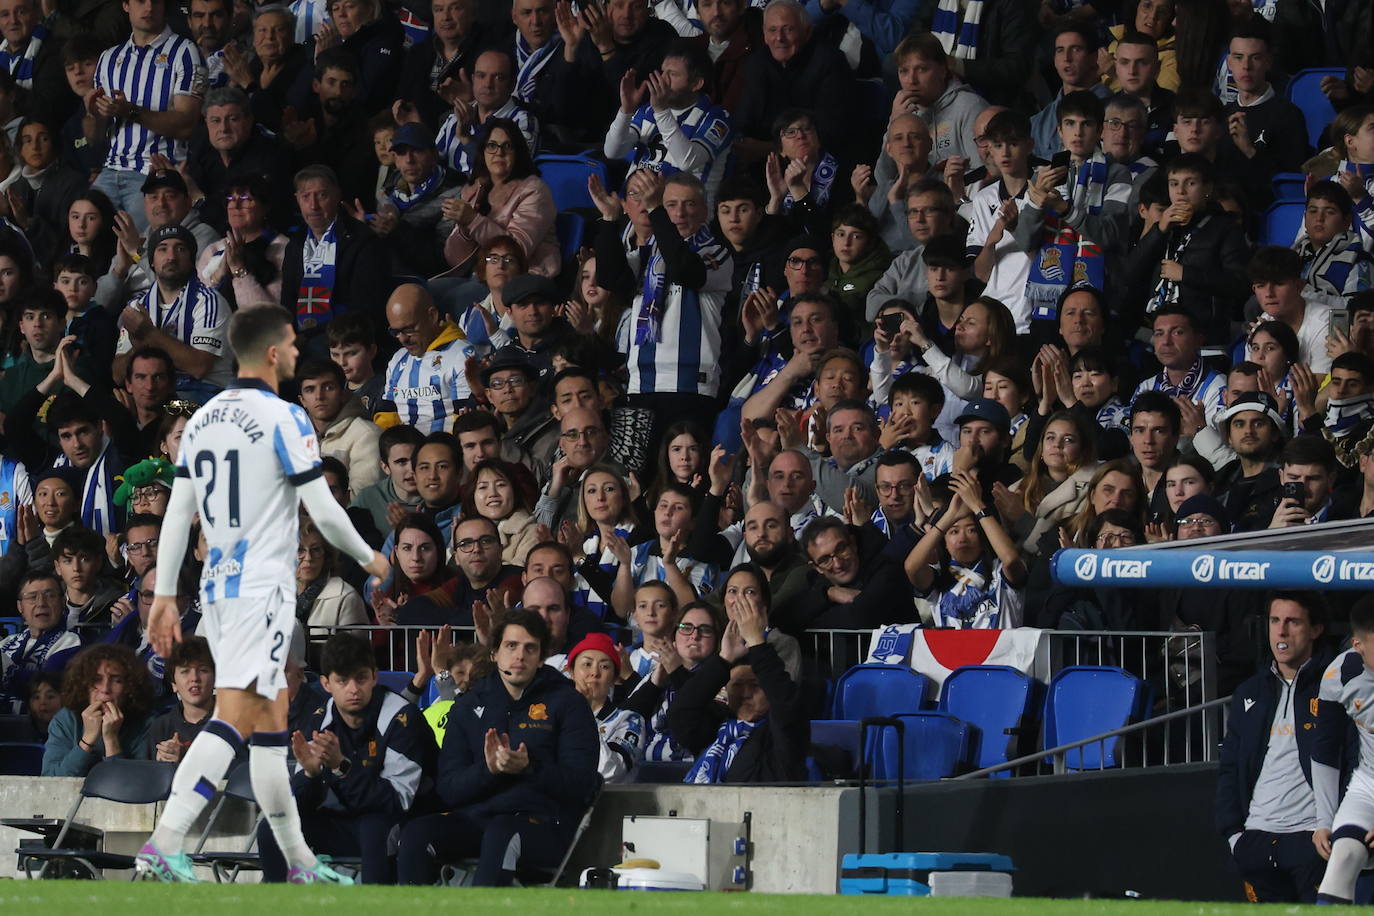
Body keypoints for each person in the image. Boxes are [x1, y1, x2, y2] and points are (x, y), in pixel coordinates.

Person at [136, 305, 389, 884]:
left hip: (218, 592)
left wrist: (172, 592)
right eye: (292, 345)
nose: (298, 354)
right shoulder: (286, 418)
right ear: (271, 352)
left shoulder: (200, 420)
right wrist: (369, 556)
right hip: (260, 593)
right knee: (235, 722)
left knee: (269, 733)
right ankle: (168, 839)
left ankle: (298, 861)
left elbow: (179, 513)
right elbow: (322, 508)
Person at [396, 608, 599, 886]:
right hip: (477, 819)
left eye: (530, 648)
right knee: (416, 833)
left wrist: (530, 768)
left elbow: (582, 786)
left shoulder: (568, 703)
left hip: (545, 824)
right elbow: (449, 788)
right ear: (494, 653)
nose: (519, 656)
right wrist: (489, 770)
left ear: (541, 658)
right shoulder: (468, 705)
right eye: (511, 646)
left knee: (503, 834)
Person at [261, 633, 432, 885]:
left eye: (361, 678)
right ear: (326, 684)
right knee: (272, 826)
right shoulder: (319, 720)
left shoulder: (401, 718)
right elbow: (302, 802)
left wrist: (342, 767)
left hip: (400, 825)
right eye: (342, 681)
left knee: (375, 828)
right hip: (341, 822)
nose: (353, 689)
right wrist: (310, 776)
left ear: (374, 676)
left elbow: (397, 801)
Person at [1217, 591, 1338, 904]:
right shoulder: (1249, 692)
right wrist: (1234, 837)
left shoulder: (1336, 686)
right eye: (1275, 621)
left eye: (1292, 621)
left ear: (1316, 629)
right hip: (1256, 841)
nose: (1281, 631)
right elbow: (1230, 768)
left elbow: (1353, 759)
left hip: (1312, 841)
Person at [666, 583, 807, 783]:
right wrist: (724, 659)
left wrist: (757, 642)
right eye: (737, 686)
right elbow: (681, 713)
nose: (746, 694)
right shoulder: (714, 729)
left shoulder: (783, 736)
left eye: (756, 686)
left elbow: (786, 704)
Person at [85, 0, 207, 228]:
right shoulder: (108, 59)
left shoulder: (185, 52)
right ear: (125, 5)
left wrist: (131, 111)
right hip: (111, 170)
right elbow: (94, 138)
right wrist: (94, 115)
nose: (149, 7)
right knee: (84, 232)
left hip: (156, 174)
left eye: (157, 1)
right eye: (141, 0)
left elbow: (186, 124)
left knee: (141, 254)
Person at [279, 164, 391, 355]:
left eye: (322, 195)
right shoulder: (296, 244)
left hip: (348, 335)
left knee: (314, 350)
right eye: (306, 197)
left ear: (337, 195)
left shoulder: (362, 240)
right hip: (303, 336)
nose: (313, 206)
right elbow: (288, 301)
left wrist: (306, 337)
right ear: (297, 200)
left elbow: (363, 309)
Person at [1310, 596, 1374, 904]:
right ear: (1357, 645)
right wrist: (1324, 820)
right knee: (1343, 857)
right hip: (1368, 785)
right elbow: (1325, 749)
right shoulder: (1339, 675)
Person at [373, 284, 476, 434]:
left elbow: (464, 420)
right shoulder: (397, 359)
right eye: (395, 331)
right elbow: (387, 415)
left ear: (432, 316)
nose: (402, 339)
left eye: (408, 329)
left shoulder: (461, 355)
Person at [41, 643, 154, 775]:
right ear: (83, 685)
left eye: (116, 680)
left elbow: (133, 786)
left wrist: (111, 739)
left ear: (130, 687)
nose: (105, 689)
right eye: (96, 680)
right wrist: (88, 739)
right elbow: (51, 780)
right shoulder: (66, 719)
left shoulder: (147, 723)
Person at [298, 358, 382, 498]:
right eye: (310, 389)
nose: (319, 396)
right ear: (302, 401)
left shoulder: (367, 435)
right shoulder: (295, 437)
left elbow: (361, 500)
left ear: (343, 394)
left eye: (328, 387)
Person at [568, 631, 645, 784]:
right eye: (587, 664)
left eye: (604, 666)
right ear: (571, 672)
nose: (594, 673)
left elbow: (610, 772)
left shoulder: (630, 720)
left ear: (615, 678)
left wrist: (584, 715)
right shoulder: (555, 716)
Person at [0, 570, 81, 712]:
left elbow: (46, 687)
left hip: (38, 727)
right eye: (32, 597)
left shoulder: (72, 642)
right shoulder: (7, 642)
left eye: (50, 596)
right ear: (20, 607)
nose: (41, 603)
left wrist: (5, 666)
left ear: (63, 603)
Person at [145, 635, 216, 764]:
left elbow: (245, 770)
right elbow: (147, 777)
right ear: (173, 684)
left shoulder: (233, 720)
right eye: (185, 671)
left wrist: (186, 758)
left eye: (203, 670)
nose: (194, 678)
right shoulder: (161, 727)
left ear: (216, 678)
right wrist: (161, 766)